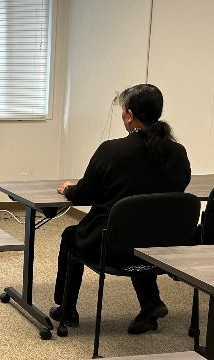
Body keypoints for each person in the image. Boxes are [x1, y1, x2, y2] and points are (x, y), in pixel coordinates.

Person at [52, 84, 191, 335]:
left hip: (114, 246)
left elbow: (84, 194)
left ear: (128, 114)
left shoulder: (112, 150)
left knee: (71, 237)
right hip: (161, 245)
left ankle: (66, 310)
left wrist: (68, 189)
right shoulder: (178, 153)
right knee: (141, 228)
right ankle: (150, 304)